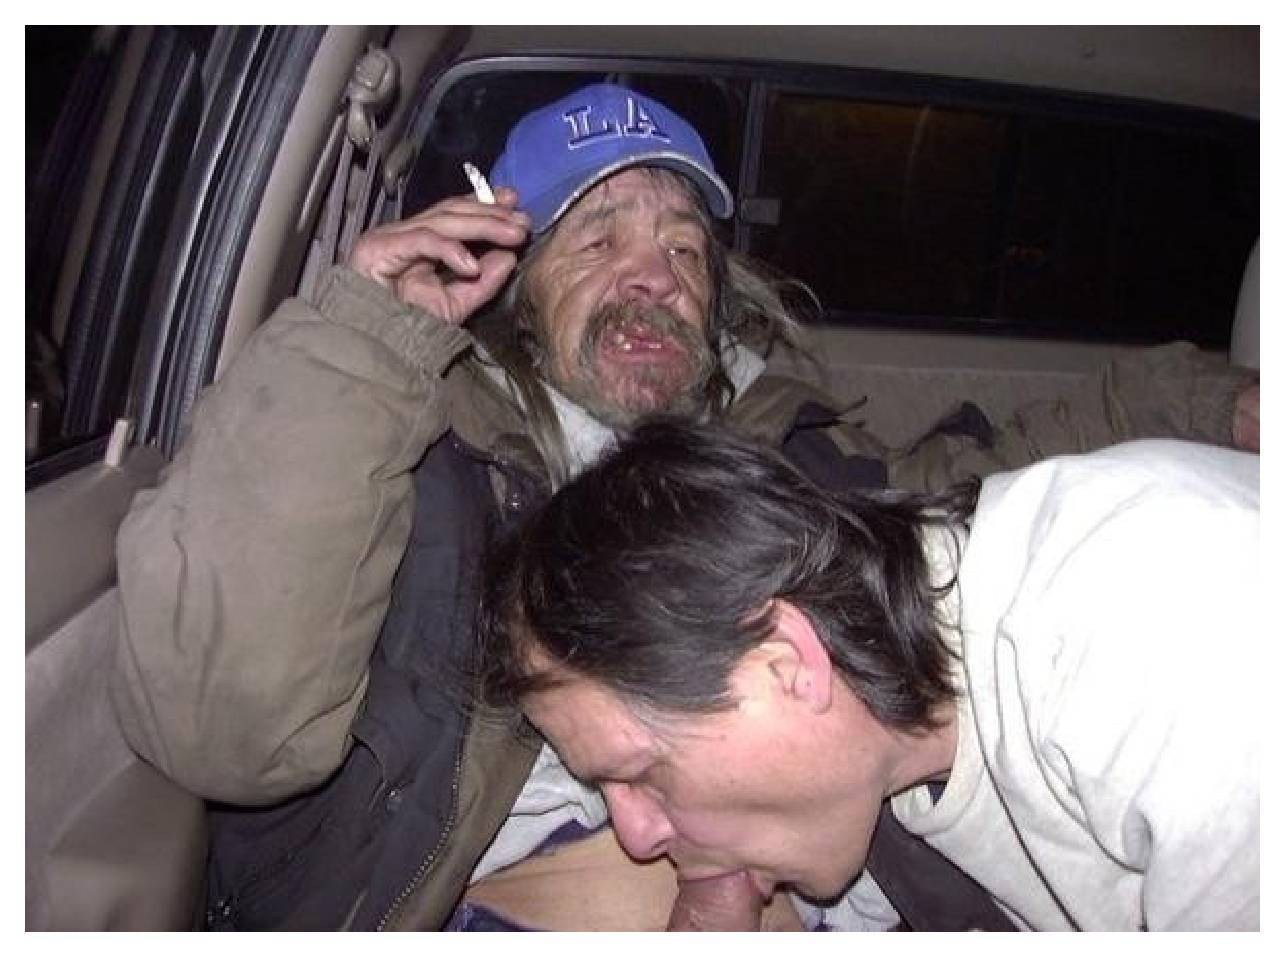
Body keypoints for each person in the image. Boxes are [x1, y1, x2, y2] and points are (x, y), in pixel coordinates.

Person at [110, 81, 1259, 931]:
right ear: (514, 287)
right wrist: (366, 342)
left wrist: (1219, 405)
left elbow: (969, 493)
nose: (652, 275)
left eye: (683, 248)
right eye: (597, 238)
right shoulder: (414, 463)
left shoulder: (779, 464)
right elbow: (222, 725)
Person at [480, 418, 1260, 931]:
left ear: (786, 664)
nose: (635, 833)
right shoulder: (892, 747)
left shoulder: (1160, 617)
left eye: (639, 775)